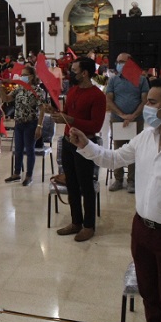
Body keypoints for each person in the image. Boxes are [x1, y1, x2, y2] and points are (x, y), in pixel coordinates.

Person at [67, 79, 161, 322]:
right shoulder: (146, 136)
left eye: (152, 102)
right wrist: (85, 145)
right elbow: (114, 159)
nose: (146, 106)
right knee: (150, 296)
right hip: (142, 229)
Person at [50, 57, 106, 242]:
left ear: (85, 73)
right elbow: (67, 113)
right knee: (72, 183)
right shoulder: (73, 91)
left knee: (85, 186)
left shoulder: (98, 96)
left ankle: (89, 226)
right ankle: (76, 222)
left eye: (74, 70)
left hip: (84, 145)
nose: (71, 74)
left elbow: (96, 125)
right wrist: (58, 116)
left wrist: (72, 120)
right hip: (68, 142)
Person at [106, 53, 149, 193]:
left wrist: (132, 116)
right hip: (118, 120)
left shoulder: (141, 79)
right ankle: (118, 179)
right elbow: (109, 100)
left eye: (122, 61)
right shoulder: (113, 80)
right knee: (118, 150)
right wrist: (122, 115)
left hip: (136, 120)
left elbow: (144, 100)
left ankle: (132, 181)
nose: (119, 64)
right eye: (117, 61)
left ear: (130, 62)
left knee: (134, 150)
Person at [1, 65, 46, 186]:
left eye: (25, 75)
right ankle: (16, 173)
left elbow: (42, 109)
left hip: (31, 124)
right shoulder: (19, 88)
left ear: (31, 76)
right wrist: (0, 89)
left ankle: (29, 175)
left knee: (30, 150)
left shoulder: (37, 91)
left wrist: (39, 126)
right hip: (19, 123)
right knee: (18, 149)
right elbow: (7, 99)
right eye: (22, 75)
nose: (22, 77)